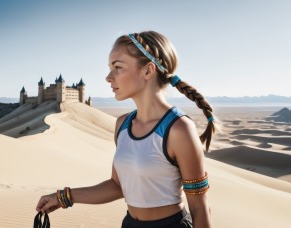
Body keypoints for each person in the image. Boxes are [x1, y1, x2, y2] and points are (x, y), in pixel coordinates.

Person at [36, 31, 216, 228]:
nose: (108, 77)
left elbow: (200, 208)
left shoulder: (179, 129)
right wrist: (62, 197)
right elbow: (118, 186)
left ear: (148, 71)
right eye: (109, 68)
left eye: (118, 67)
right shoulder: (122, 125)